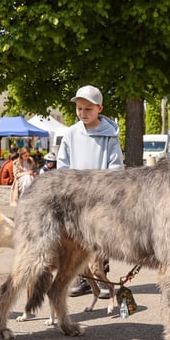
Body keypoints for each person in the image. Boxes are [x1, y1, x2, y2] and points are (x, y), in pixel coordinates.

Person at [58, 85, 124, 298]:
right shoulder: (70, 133)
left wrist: (105, 188)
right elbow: (63, 164)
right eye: (79, 109)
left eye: (88, 109)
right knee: (76, 237)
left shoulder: (110, 135)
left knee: (100, 238)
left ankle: (101, 277)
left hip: (100, 196)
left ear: (99, 109)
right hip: (76, 196)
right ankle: (81, 277)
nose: (83, 113)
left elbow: (116, 167)